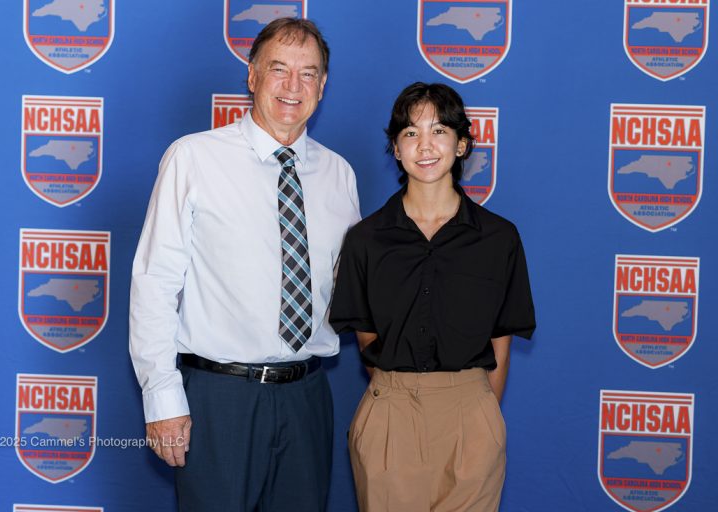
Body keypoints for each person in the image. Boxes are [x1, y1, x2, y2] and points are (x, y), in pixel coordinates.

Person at [129, 18, 360, 512]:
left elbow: (350, 287)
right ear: (252, 75)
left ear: (322, 85)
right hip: (220, 399)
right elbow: (155, 283)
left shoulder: (339, 174)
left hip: (307, 396)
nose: (293, 85)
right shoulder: (193, 158)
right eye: (278, 69)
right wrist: (162, 397)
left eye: (308, 73)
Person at [329, 82, 535, 512]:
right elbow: (367, 338)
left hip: (471, 413)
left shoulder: (498, 238)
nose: (425, 145)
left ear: (461, 144)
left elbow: (501, 340)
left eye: (439, 131)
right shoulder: (366, 240)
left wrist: (477, 412)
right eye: (411, 133)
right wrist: (401, 391)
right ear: (396, 148)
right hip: (390, 412)